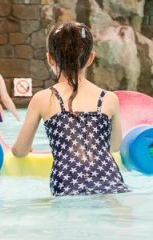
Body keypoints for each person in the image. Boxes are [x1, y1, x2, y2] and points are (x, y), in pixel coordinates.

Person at [11, 22, 128, 196]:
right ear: (90, 58)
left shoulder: (43, 98)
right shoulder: (109, 98)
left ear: (50, 58)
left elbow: (19, 151)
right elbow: (115, 146)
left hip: (67, 185)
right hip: (111, 182)